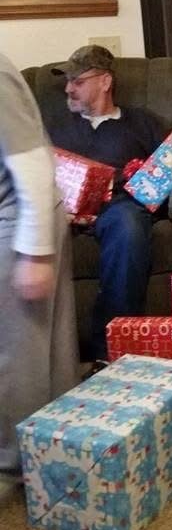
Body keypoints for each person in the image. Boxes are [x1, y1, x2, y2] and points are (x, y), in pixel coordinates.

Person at [48, 45, 172, 363]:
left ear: (105, 82)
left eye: (77, 81)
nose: (68, 89)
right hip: (64, 208)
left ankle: (109, 352)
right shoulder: (56, 128)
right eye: (68, 82)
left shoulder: (141, 123)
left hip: (121, 206)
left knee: (129, 227)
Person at [0, 52, 79, 493]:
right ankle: (52, 449)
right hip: (21, 216)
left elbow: (31, 163)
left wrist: (34, 253)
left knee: (18, 353)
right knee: (47, 350)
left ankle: (12, 466)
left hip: (19, 220)